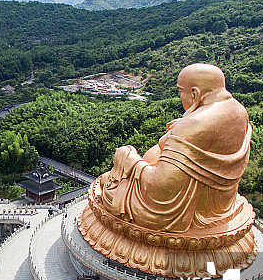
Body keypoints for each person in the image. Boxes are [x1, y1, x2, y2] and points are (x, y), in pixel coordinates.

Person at [98, 63, 251, 233]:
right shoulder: (239, 111)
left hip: (179, 211)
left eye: (181, 92)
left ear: (195, 93)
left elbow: (160, 189)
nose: (180, 97)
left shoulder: (194, 124)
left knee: (106, 182)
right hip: (220, 203)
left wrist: (129, 160)